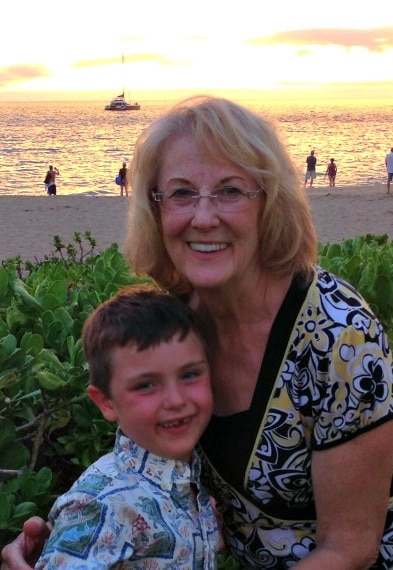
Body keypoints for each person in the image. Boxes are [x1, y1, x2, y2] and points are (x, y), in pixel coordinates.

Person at [3, 96, 393, 569]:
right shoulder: (173, 323)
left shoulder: (339, 338)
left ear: (270, 203)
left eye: (231, 191)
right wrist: (83, 538)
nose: (203, 217)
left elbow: (350, 548)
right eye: (182, 193)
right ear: (156, 207)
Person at [34, 284, 219, 568]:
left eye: (190, 374)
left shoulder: (189, 477)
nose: (175, 399)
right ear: (106, 402)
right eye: (146, 385)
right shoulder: (101, 505)